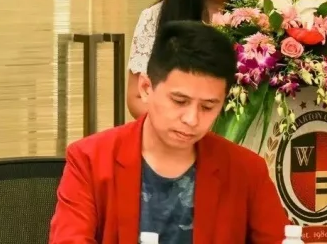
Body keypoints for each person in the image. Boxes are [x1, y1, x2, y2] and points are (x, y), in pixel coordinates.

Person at [49, 20, 289, 243]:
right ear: (146, 88)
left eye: (208, 107)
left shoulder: (246, 170)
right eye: (179, 101)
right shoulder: (89, 160)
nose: (191, 119)